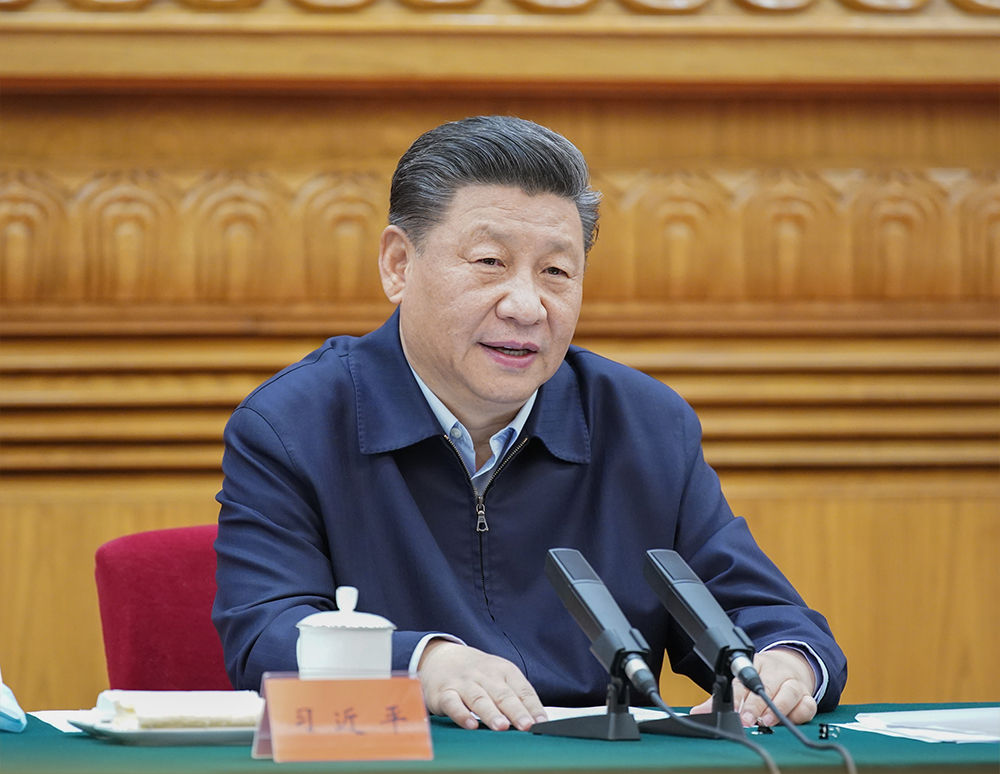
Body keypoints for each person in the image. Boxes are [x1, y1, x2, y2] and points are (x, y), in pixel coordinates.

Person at [214, 116, 846, 732]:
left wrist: (786, 665)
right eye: (490, 261)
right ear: (399, 265)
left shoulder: (644, 425)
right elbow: (264, 634)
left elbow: (763, 615)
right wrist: (424, 663)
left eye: (556, 272)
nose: (526, 306)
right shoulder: (294, 425)